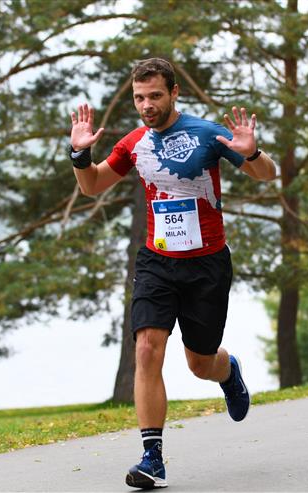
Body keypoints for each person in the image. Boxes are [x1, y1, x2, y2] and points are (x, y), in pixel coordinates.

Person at [68, 58, 277, 489]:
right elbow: (91, 185)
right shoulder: (134, 143)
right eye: (139, 98)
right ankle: (152, 458)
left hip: (206, 265)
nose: (146, 105)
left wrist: (252, 153)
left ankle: (227, 371)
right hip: (157, 262)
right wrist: (80, 154)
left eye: (155, 96)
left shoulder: (207, 134)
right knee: (146, 348)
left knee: (200, 363)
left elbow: (267, 176)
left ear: (174, 92)